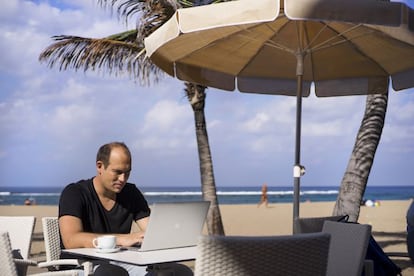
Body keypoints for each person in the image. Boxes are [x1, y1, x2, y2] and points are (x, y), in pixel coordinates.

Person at [59, 142, 189, 275]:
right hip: (80, 264)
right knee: (112, 273)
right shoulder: (75, 193)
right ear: (100, 166)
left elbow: (151, 232)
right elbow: (71, 240)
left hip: (120, 261)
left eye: (127, 173)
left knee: (180, 272)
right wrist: (123, 239)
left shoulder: (131, 193)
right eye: (118, 172)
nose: (123, 179)